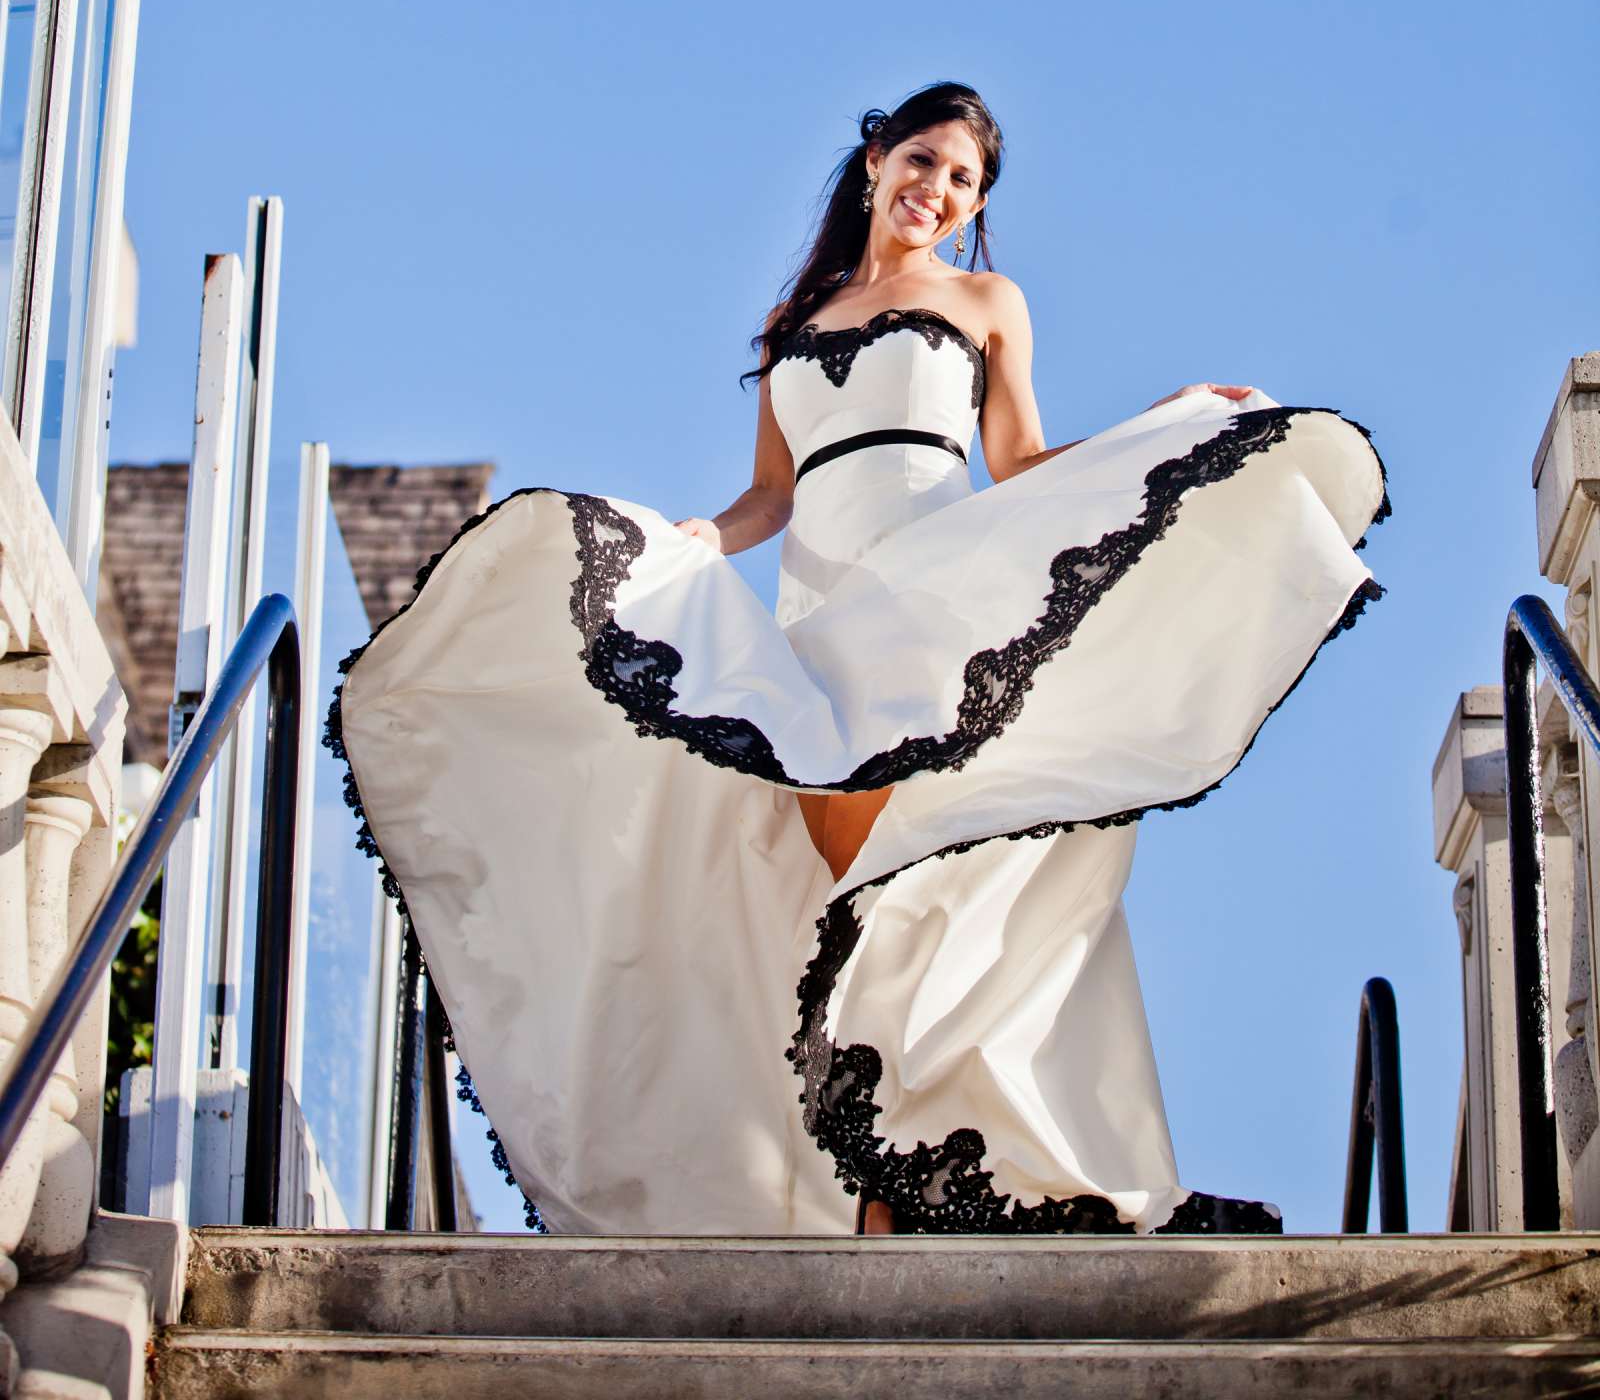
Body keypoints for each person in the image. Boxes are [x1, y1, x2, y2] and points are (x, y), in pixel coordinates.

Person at [330, 80, 1388, 1237]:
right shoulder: (799, 322)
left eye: (964, 181)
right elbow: (770, 496)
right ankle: (882, 1174)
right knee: (841, 897)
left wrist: (1165, 422)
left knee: (922, 873)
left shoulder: (987, 299)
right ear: (878, 157)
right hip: (817, 624)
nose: (937, 191)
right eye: (925, 162)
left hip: (935, 594)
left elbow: (1023, 459)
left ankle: (913, 1190)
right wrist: (700, 541)